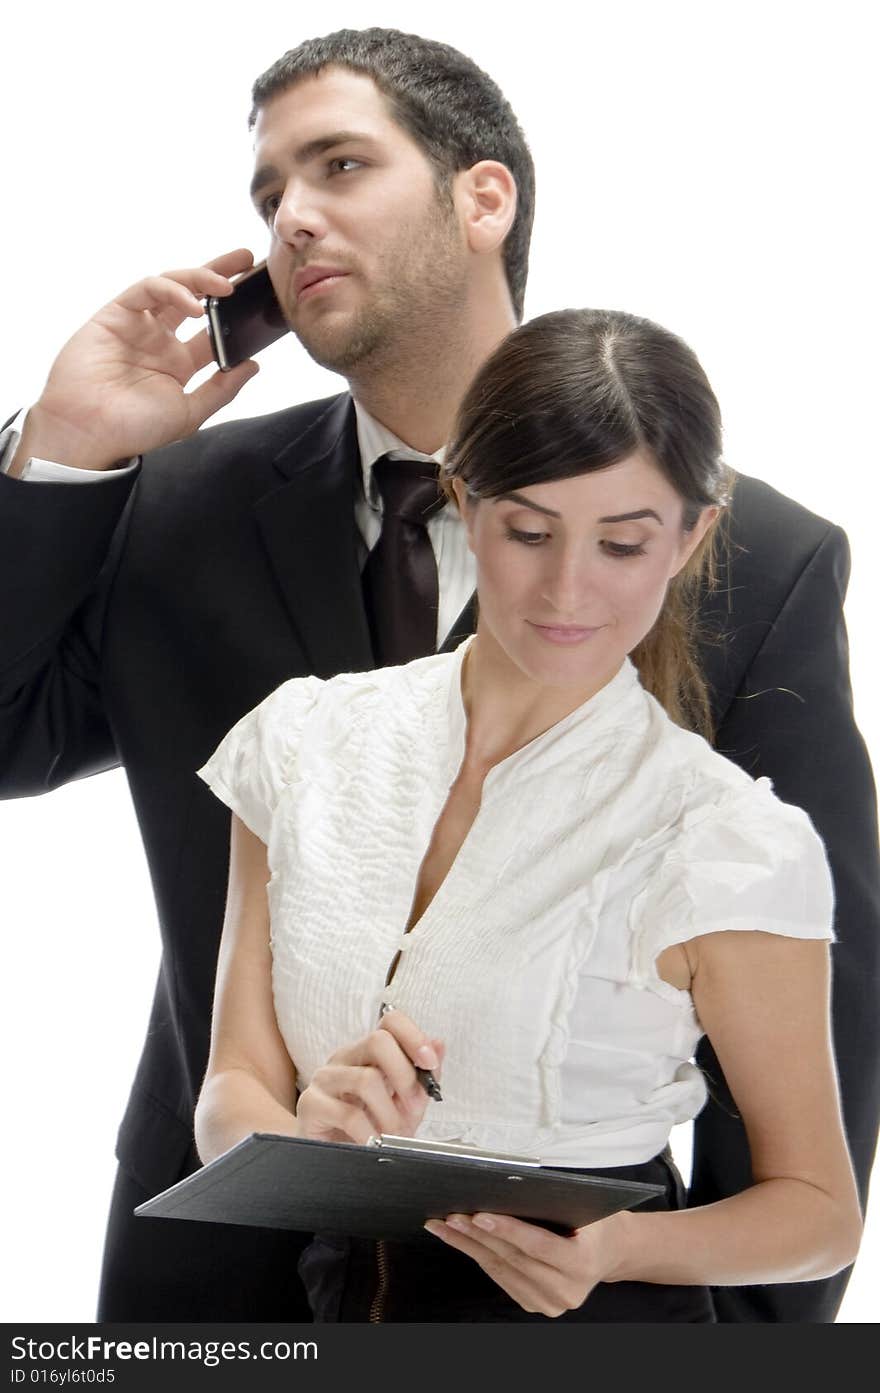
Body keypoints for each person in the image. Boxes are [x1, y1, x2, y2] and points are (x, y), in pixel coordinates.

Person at [0, 27, 876, 1324]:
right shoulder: (173, 506)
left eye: (339, 165)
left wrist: (721, 1327)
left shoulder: (754, 553)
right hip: (214, 1290)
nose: (292, 217)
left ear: (484, 197)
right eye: (268, 194)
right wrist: (62, 457)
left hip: (566, 1300)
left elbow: (824, 1011)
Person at [193, 307, 862, 1322]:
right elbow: (231, 1085)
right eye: (529, 530)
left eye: (622, 544)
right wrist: (298, 1139)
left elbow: (818, 1209)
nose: (566, 589)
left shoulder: (724, 837)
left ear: (692, 537)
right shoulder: (302, 743)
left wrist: (621, 1247)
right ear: (464, 499)